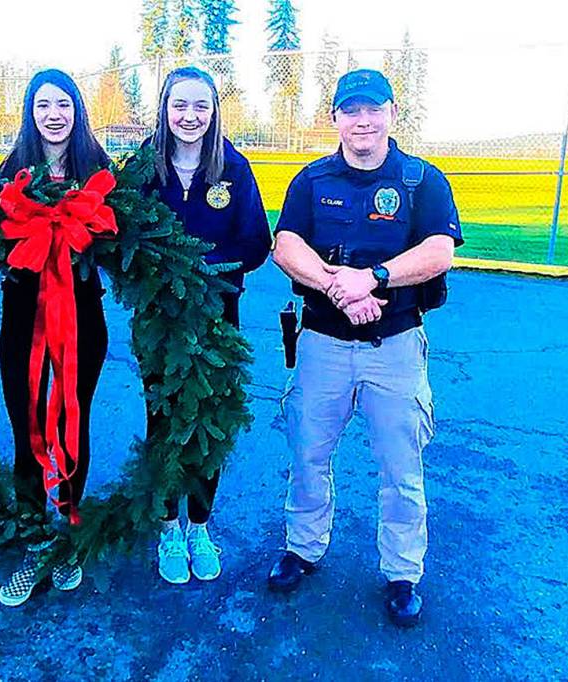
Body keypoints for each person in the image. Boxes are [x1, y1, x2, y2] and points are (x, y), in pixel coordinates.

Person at [268, 69, 462, 627]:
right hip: (322, 344)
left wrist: (372, 277)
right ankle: (303, 548)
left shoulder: (422, 181)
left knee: (402, 468)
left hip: (395, 345)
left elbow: (439, 251)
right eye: (351, 111)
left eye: (373, 110)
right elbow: (286, 246)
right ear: (335, 119)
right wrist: (339, 285)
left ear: (392, 115)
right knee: (307, 455)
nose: (363, 121)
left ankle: (403, 573)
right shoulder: (310, 181)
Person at [141, 66, 271, 585]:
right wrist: (163, 274)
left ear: (215, 110)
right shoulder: (145, 169)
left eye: (201, 106)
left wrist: (203, 269)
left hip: (218, 321)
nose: (190, 116)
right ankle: (167, 526)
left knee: (208, 426)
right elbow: (124, 237)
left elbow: (256, 243)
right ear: (164, 109)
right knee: (164, 424)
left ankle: (198, 524)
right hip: (160, 324)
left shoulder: (234, 170)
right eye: (180, 105)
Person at [0, 69, 112, 607]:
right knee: (27, 425)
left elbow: (122, 239)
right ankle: (31, 536)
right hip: (23, 322)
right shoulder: (10, 171)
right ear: (30, 111)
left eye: (63, 104)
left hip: (84, 320)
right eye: (43, 105)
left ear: (77, 110)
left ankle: (66, 529)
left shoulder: (99, 171)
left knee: (72, 418)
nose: (53, 114)